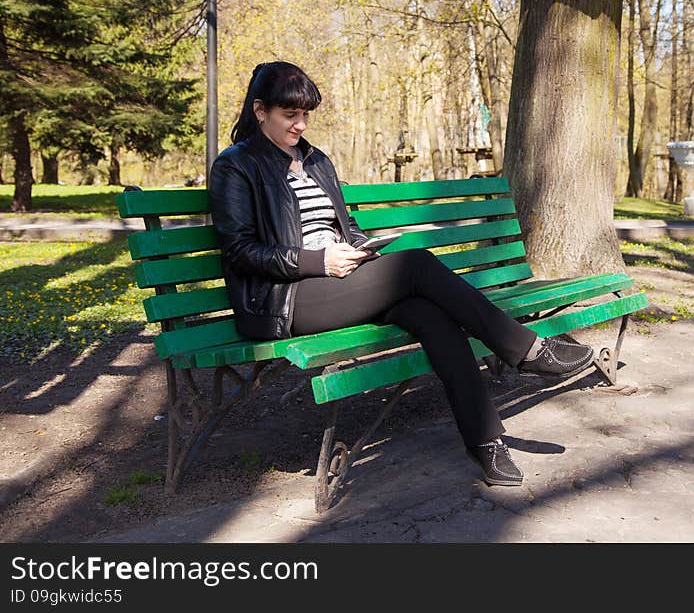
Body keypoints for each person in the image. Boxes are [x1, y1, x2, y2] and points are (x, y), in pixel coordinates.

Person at [209, 61, 596, 487]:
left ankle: (485, 440)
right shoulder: (236, 166)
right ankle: (526, 351)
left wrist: (359, 247)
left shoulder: (315, 160)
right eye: (289, 115)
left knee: (433, 316)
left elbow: (342, 225)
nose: (300, 125)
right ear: (260, 110)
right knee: (416, 264)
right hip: (285, 299)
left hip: (340, 281)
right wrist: (320, 262)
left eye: (305, 115)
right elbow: (241, 250)